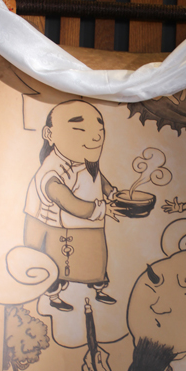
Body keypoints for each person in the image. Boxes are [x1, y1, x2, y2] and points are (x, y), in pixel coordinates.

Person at [24, 100, 121, 311]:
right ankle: (54, 295)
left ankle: (99, 289)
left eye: (99, 130)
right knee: (58, 264)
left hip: (88, 224)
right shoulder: (52, 170)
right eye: (80, 129)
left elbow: (98, 178)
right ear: (49, 134)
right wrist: (101, 209)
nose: (96, 137)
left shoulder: (86, 161)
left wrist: (111, 191)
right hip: (57, 228)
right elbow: (65, 200)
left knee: (94, 259)